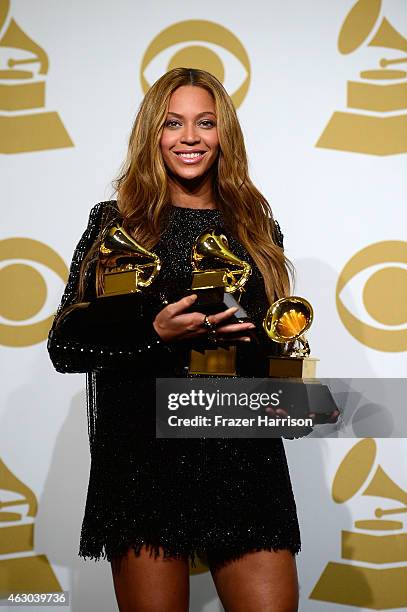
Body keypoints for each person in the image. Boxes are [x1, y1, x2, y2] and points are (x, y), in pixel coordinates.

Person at [48, 67, 301, 612]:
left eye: (205, 123)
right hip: (144, 463)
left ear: (223, 134)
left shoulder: (256, 228)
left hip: (243, 461)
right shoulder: (117, 223)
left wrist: (281, 374)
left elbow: (277, 365)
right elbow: (65, 345)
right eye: (173, 123)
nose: (190, 138)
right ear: (152, 134)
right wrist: (155, 330)